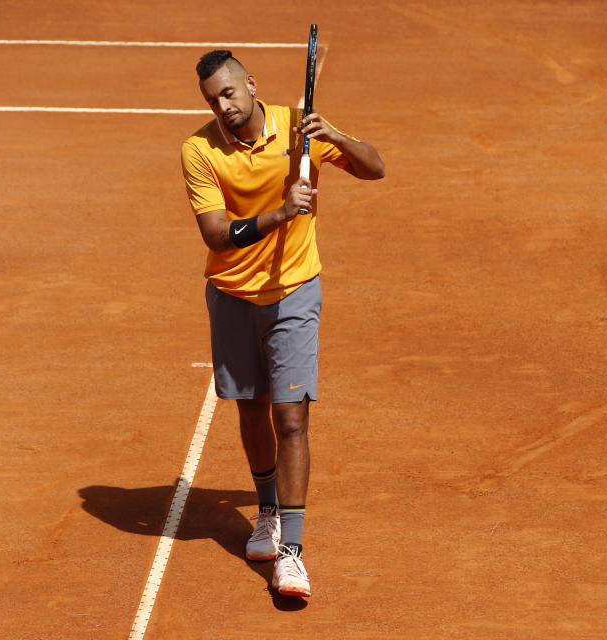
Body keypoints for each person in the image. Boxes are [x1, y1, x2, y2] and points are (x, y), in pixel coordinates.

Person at [180, 49, 384, 597]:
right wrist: (280, 211)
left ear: (251, 83)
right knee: (251, 409)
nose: (222, 106)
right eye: (212, 100)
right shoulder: (199, 150)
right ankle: (266, 512)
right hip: (231, 295)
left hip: (294, 290)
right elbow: (217, 235)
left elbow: (376, 167)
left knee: (290, 418)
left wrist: (335, 139)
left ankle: (290, 551)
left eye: (228, 92)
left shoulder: (301, 130)